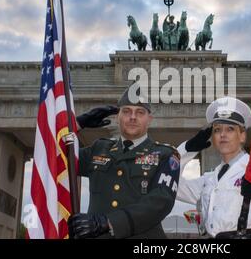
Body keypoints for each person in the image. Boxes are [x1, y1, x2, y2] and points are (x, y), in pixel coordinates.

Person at [66, 84, 180, 239]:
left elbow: (160, 202)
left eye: (140, 112)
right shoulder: (99, 148)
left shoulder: (166, 155)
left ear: (150, 119)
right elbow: (55, 160)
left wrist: (108, 222)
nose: (132, 117)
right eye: (126, 111)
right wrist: (76, 125)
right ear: (117, 117)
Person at [176, 96, 251, 238]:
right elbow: (171, 184)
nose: (222, 134)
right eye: (217, 130)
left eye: (230, 129)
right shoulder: (210, 179)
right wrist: (186, 151)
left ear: (242, 136)